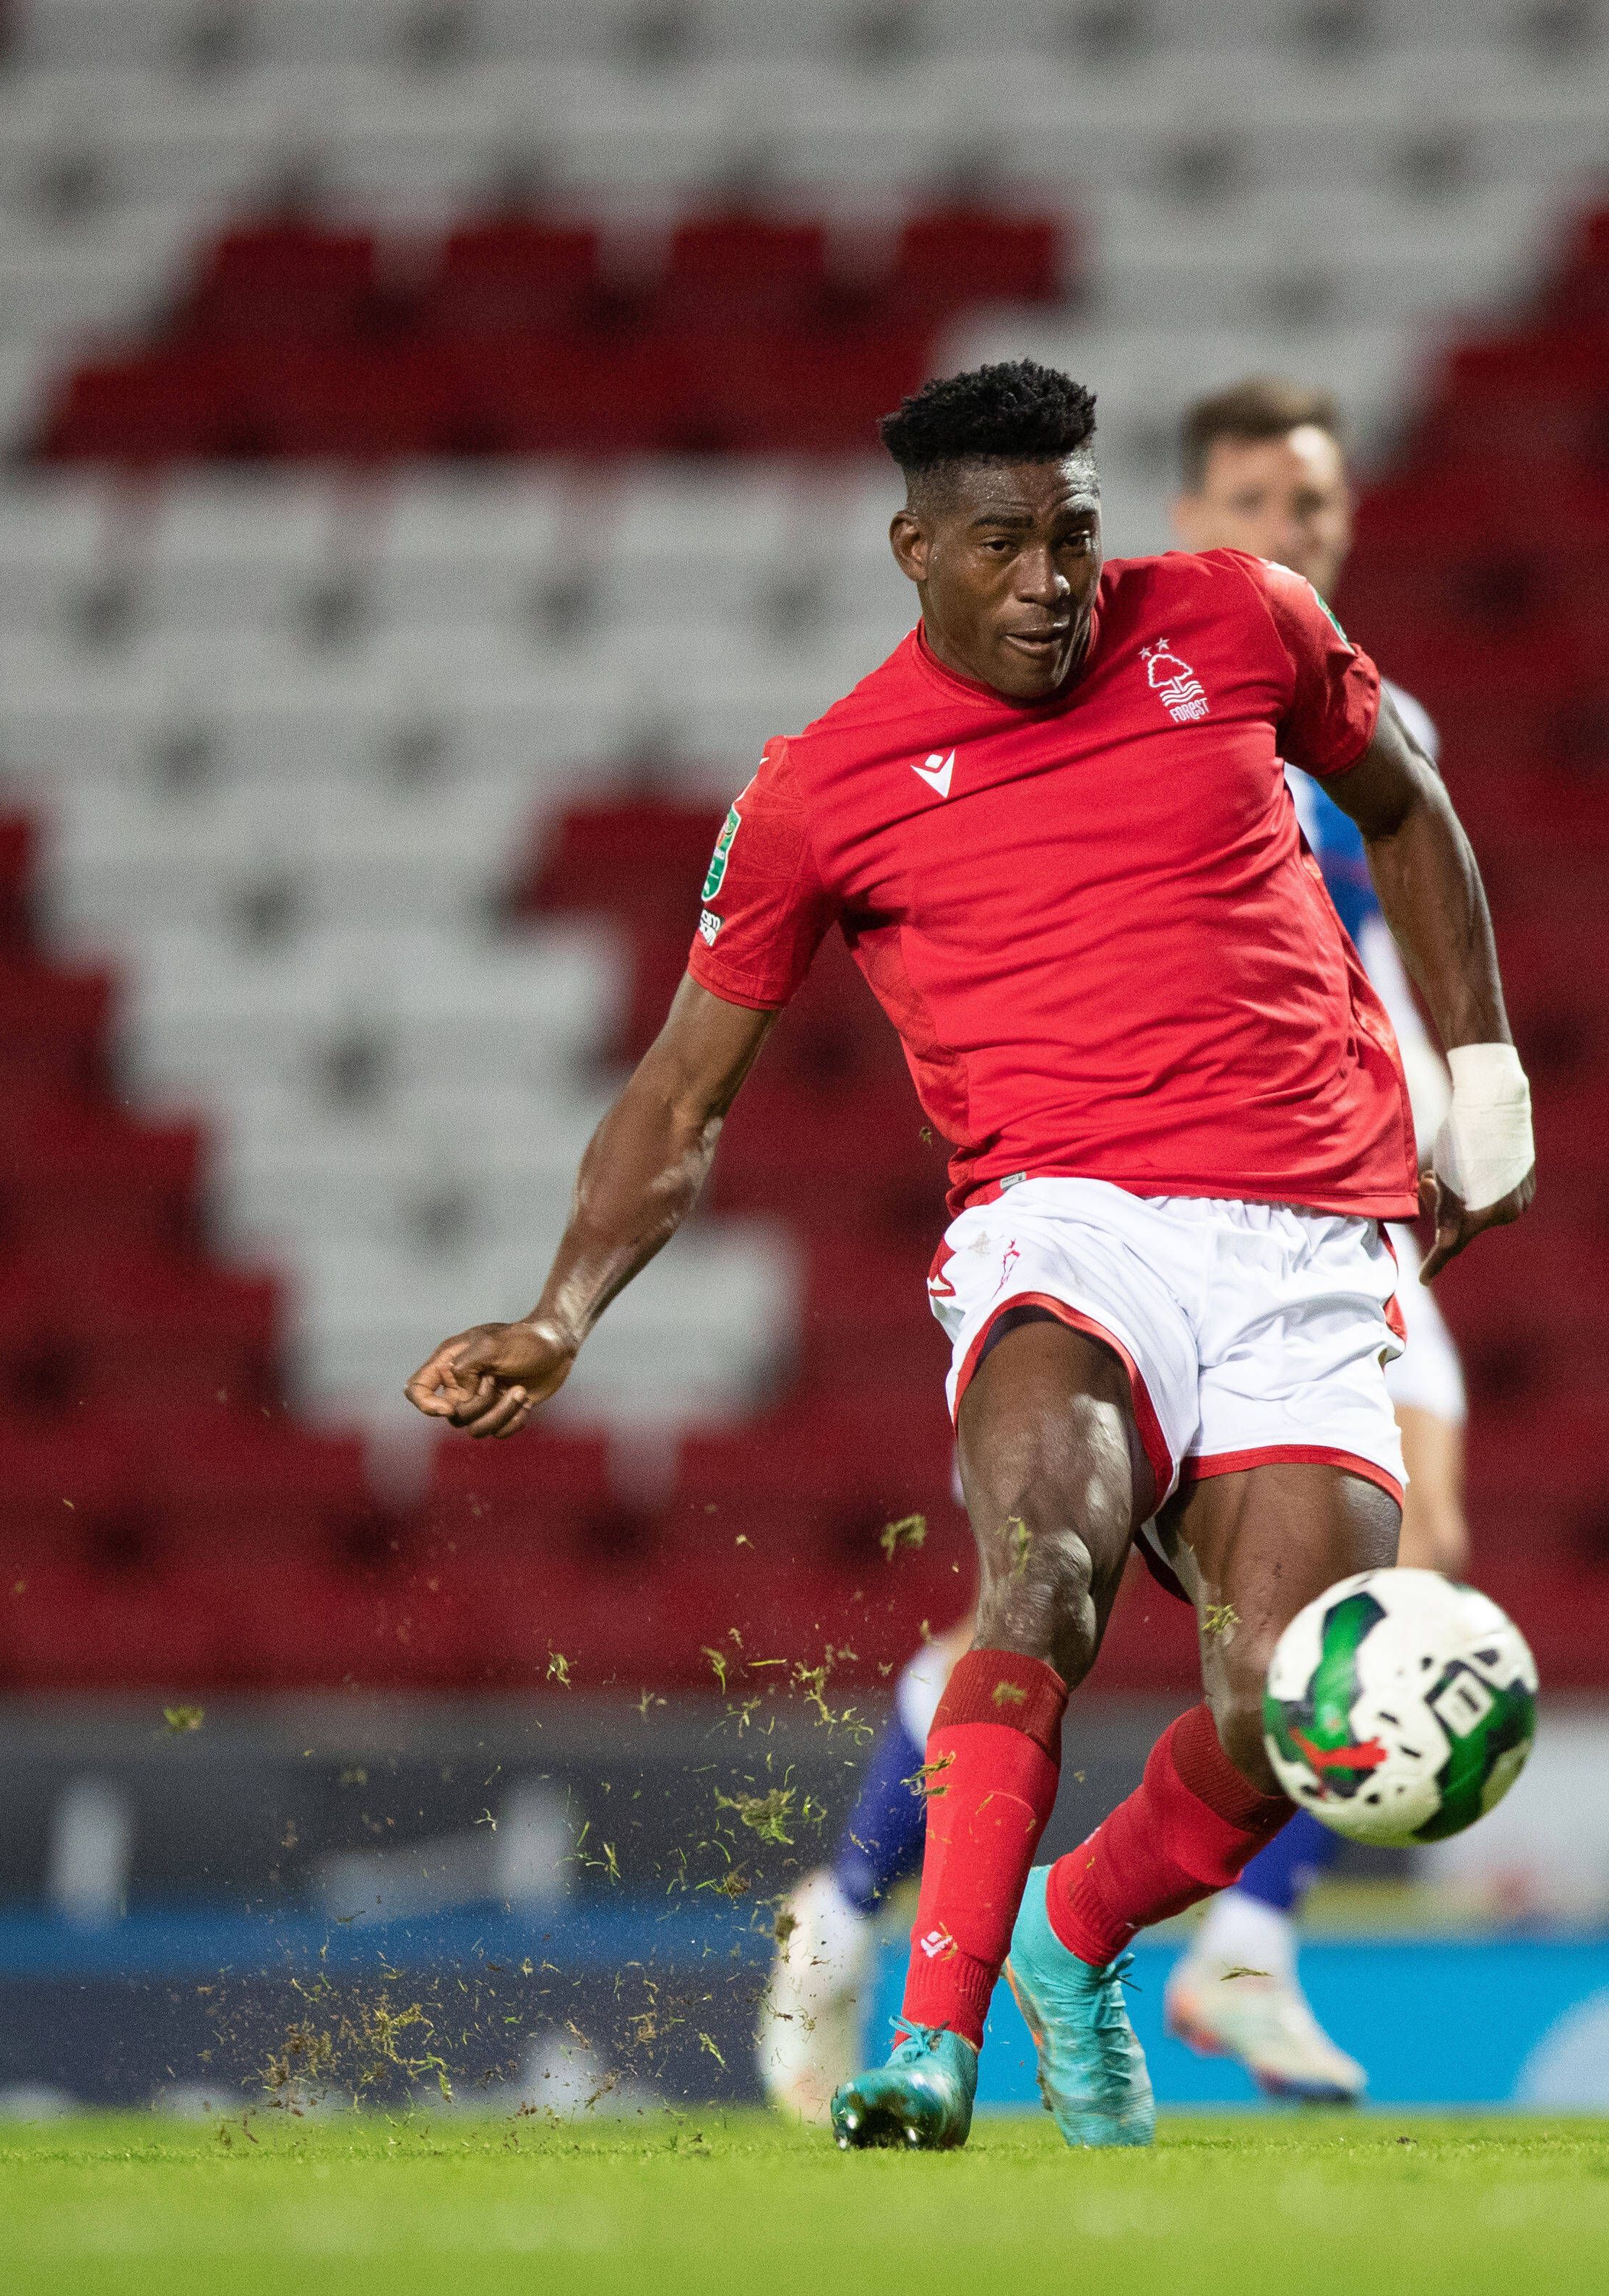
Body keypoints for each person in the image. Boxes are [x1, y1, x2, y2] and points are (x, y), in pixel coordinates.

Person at [406, 359, 1532, 2154]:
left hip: (1312, 1244)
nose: (1049, 579)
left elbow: (1407, 807)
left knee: (1280, 1703)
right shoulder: (822, 787)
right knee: (1043, 1571)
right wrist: (559, 1310)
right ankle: (926, 2039)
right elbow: (683, 1091)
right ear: (911, 549)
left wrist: (1483, 1081)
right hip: (1064, 1225)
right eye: (1002, 543)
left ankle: (1079, 1934)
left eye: (1073, 534)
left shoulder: (1237, 623)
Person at [756, 376, 1472, 2117]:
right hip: (1108, 1186)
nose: (1285, 535)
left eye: (1311, 506)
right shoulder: (1118, 675)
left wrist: (1469, 1100)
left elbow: (1369, 916)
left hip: (1332, 1180)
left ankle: (1146, 1930)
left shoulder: (1306, 686)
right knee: (1043, 1570)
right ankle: (872, 1922)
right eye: (1252, 503)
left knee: (1353, 1618)